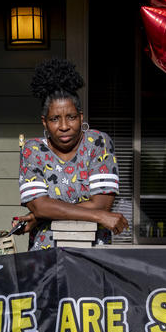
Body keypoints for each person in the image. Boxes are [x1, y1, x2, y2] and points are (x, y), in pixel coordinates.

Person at [17, 58, 128, 248]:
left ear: (81, 117)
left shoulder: (98, 143)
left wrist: (40, 217)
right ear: (44, 122)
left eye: (71, 117)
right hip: (45, 253)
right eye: (54, 119)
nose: (64, 126)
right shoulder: (33, 150)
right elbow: (40, 205)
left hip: (91, 250)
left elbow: (102, 205)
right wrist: (97, 215)